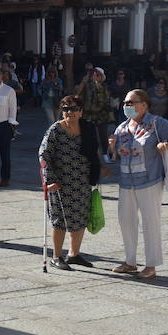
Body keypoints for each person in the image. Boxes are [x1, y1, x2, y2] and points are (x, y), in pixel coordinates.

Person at [109, 88, 168, 279]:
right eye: (125, 103)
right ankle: (130, 261)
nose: (126, 106)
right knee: (125, 221)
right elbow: (115, 155)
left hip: (149, 180)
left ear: (144, 105)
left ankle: (151, 265)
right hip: (126, 182)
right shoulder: (122, 127)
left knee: (150, 222)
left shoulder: (155, 123)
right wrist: (112, 146)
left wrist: (167, 145)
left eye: (131, 102)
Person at [39, 95, 106, 270]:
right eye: (66, 109)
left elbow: (94, 151)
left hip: (82, 182)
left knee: (80, 219)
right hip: (60, 183)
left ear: (81, 111)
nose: (70, 112)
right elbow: (44, 155)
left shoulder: (87, 128)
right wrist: (49, 180)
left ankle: (74, 255)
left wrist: (100, 167)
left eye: (74, 109)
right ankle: (56, 257)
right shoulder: (55, 129)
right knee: (59, 220)